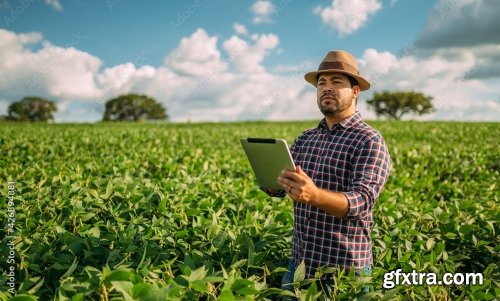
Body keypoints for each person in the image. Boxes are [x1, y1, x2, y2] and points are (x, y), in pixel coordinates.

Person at [262, 50, 391, 296]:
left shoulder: (369, 140)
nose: (326, 88)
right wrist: (273, 183)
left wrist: (314, 195)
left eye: (336, 82)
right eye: (321, 83)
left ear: (355, 91)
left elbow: (361, 202)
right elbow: (282, 189)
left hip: (345, 272)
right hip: (299, 266)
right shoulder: (306, 138)